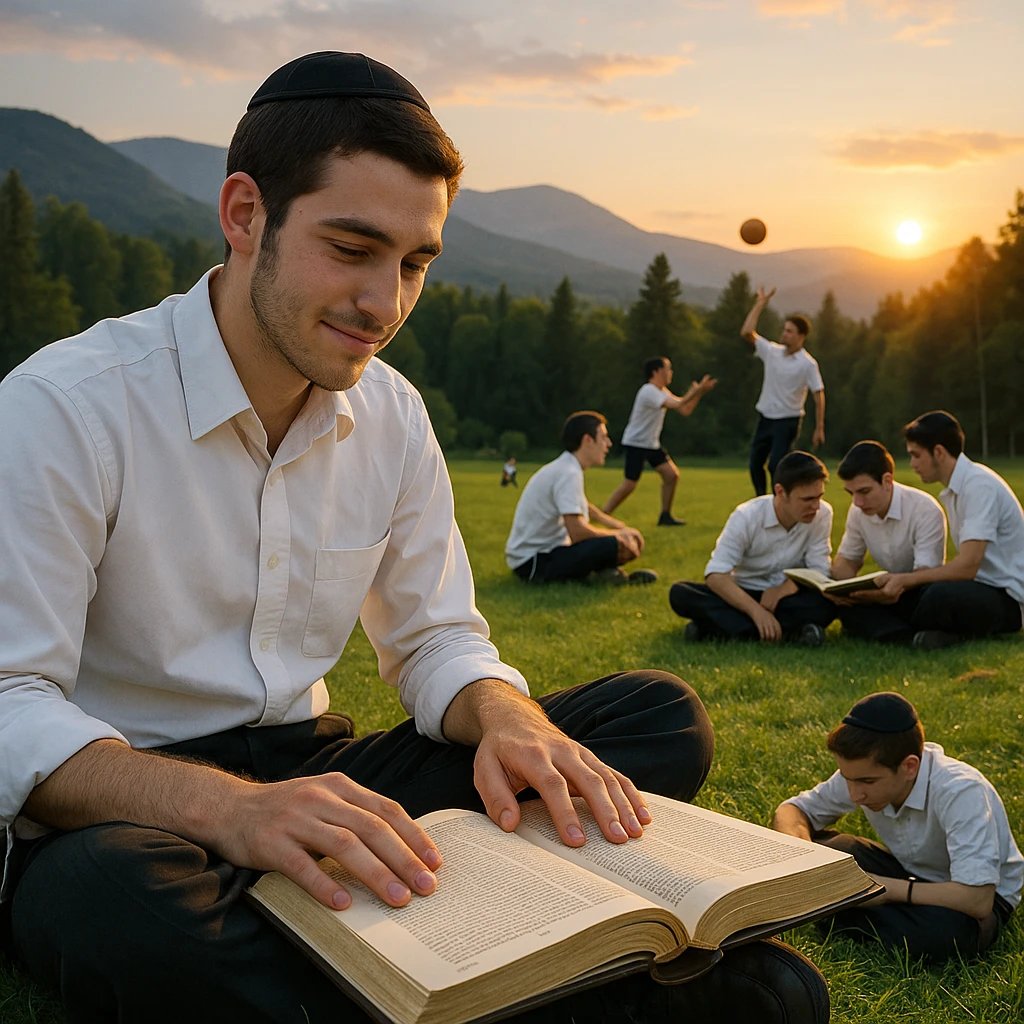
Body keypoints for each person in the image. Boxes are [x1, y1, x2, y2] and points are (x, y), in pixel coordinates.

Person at [0, 52, 828, 1024]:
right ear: (243, 214)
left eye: (415, 263)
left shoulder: (389, 415)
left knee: (655, 718)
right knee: (107, 898)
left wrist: (512, 721)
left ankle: (410, 966)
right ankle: (536, 982)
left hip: (316, 772)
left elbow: (435, 639)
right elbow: (12, 706)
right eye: (351, 248)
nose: (384, 302)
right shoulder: (64, 408)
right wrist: (232, 811)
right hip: (131, 810)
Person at [772, 691, 1022, 962]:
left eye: (867, 783)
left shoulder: (961, 791)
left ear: (909, 767)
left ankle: (841, 909)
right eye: (848, 779)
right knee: (827, 851)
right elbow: (791, 811)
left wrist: (884, 890)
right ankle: (854, 908)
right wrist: (803, 855)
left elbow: (977, 899)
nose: (856, 795)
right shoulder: (861, 773)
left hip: (976, 897)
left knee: (947, 934)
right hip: (910, 873)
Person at [874, 410, 1024, 649]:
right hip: (981, 589)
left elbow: (967, 566)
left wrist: (907, 579)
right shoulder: (956, 489)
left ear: (939, 452)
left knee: (937, 596)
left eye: (916, 455)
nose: (912, 464)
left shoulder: (978, 485)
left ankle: (907, 630)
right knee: (895, 597)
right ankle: (920, 634)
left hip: (1008, 598)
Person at [668, 451, 837, 645]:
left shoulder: (823, 514)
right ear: (781, 492)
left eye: (819, 497)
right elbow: (716, 575)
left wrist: (783, 589)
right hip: (743, 593)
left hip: (788, 597)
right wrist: (756, 612)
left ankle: (715, 629)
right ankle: (791, 632)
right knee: (681, 594)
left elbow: (819, 570)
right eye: (807, 499)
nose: (815, 506)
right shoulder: (746, 516)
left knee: (829, 603)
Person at [505, 411, 657, 585]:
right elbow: (577, 532)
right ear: (587, 440)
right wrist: (619, 536)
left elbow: (585, 506)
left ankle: (606, 573)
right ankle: (606, 575)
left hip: (534, 559)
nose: (608, 444)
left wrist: (619, 527)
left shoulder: (567, 466)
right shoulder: (569, 472)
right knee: (612, 545)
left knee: (613, 541)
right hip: (535, 563)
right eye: (604, 437)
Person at [829, 440, 947, 644]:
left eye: (864, 492)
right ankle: (908, 636)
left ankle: (897, 632)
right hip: (887, 594)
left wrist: (893, 587)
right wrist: (835, 588)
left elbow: (926, 574)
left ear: (887, 480)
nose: (857, 502)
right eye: (852, 493)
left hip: (918, 591)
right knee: (844, 607)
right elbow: (848, 560)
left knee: (934, 599)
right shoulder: (858, 511)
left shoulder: (924, 509)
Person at [602, 356, 716, 526]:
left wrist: (699, 393)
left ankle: (665, 516)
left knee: (671, 475)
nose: (671, 372)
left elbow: (685, 409)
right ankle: (603, 515)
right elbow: (679, 404)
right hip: (636, 442)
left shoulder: (661, 391)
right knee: (630, 484)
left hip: (651, 444)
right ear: (656, 371)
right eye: (668, 368)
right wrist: (697, 390)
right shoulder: (648, 391)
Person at [740, 286, 825, 496]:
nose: (784, 334)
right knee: (754, 464)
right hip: (765, 418)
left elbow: (819, 395)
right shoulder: (772, 352)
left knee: (776, 465)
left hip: (788, 420)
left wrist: (819, 427)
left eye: (789, 331)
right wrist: (760, 303)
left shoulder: (808, 364)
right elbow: (746, 333)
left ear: (801, 336)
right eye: (784, 330)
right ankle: (762, 501)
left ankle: (781, 501)